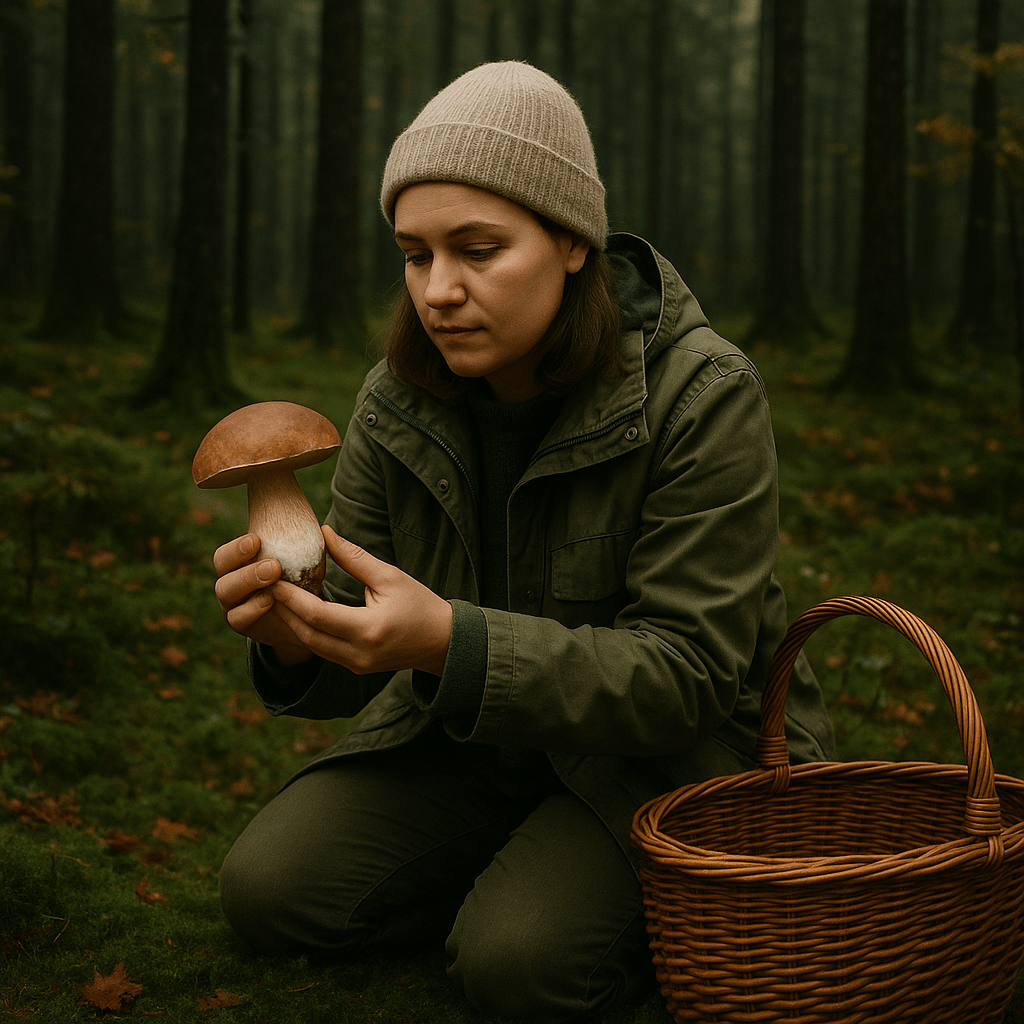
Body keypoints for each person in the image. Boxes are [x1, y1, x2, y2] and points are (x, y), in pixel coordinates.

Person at [214, 61, 836, 1021]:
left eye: (479, 249)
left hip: (667, 758)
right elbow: (365, 645)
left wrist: (445, 643)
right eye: (416, 255)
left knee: (520, 969)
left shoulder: (701, 395)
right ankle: (514, 876)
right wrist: (295, 636)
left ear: (572, 242)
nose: (440, 291)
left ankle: (593, 906)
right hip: (469, 742)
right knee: (271, 891)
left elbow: (686, 677)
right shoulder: (397, 400)